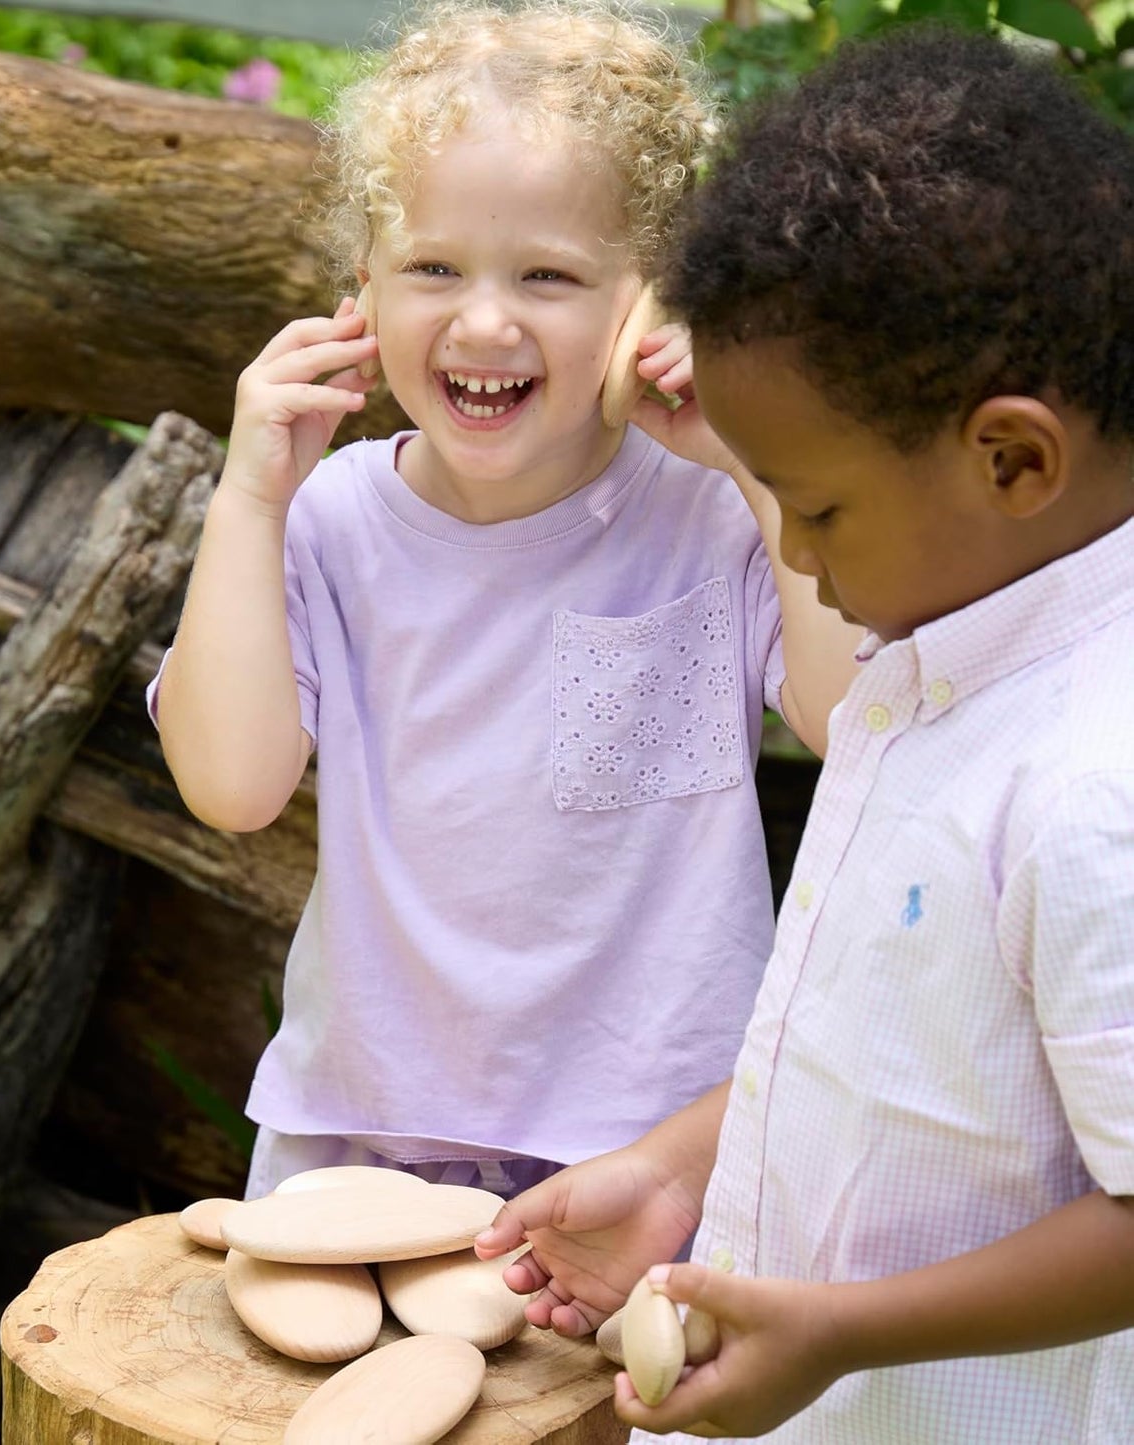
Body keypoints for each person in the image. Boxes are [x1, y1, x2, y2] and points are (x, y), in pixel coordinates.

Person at [473, 23, 1134, 1442]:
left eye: (814, 510)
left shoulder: (1096, 784)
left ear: (1012, 457)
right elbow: (896, 1050)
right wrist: (677, 1168)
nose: (806, 567)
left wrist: (837, 1331)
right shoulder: (942, 661)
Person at [152, 0, 860, 1201]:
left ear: (656, 297)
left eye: (549, 273)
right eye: (432, 267)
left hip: (656, 1158)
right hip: (362, 1137)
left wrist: (752, 460)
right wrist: (247, 501)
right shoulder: (324, 523)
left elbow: (862, 731)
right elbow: (231, 786)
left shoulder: (714, 512)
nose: (484, 318)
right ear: (360, 290)